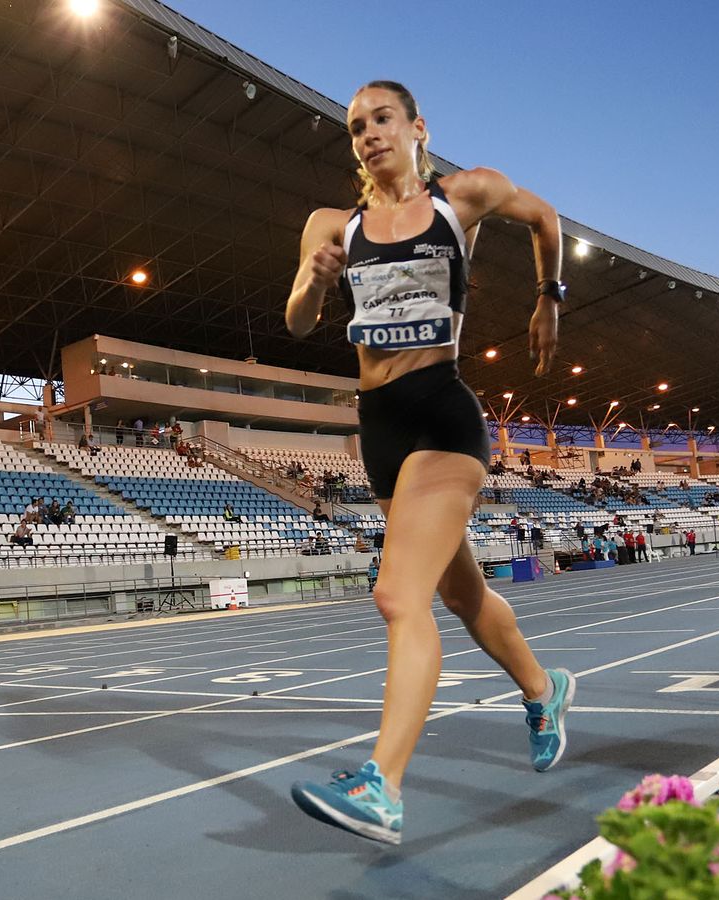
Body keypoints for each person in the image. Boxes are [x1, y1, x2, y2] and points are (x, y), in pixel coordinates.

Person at [285, 81, 572, 845]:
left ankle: (383, 785)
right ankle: (545, 689)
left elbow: (546, 217)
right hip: (377, 428)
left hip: (442, 414)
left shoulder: (462, 197)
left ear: (417, 128)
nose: (368, 134)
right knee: (462, 595)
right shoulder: (332, 224)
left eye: (381, 119)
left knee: (396, 596)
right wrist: (314, 281)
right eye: (355, 127)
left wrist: (548, 296)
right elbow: (299, 319)